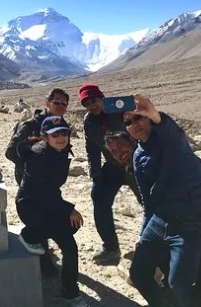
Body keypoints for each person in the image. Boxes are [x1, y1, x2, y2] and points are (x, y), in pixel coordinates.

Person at [105, 131, 201, 305]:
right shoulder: (132, 172)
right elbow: (148, 204)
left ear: (133, 141)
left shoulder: (159, 153)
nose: (119, 152)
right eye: (113, 151)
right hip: (175, 209)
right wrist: (145, 234)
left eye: (120, 145)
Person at [123, 94, 201, 307]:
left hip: (189, 223)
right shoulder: (138, 155)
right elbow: (147, 198)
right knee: (139, 273)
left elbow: (173, 133)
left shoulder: (171, 142)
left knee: (178, 284)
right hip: (159, 220)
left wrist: (156, 115)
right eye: (128, 122)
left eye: (138, 117)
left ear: (148, 118)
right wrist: (143, 232)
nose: (135, 124)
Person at [15, 116, 88, 307]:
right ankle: (29, 234)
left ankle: (69, 292)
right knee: (68, 235)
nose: (61, 137)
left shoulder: (58, 152)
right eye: (55, 134)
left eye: (64, 133)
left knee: (70, 240)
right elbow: (43, 192)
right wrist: (69, 209)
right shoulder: (40, 156)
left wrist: (67, 210)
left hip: (47, 206)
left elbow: (51, 189)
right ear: (45, 137)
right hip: (31, 207)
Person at [5, 87, 69, 277]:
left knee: (49, 213)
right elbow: (10, 152)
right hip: (30, 179)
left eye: (64, 104)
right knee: (38, 217)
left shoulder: (62, 125)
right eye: (57, 102)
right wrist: (32, 159)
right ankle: (43, 263)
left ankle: (45, 256)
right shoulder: (30, 125)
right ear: (47, 103)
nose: (61, 106)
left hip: (51, 179)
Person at [78, 83, 142, 264]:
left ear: (102, 98)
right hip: (113, 166)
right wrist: (95, 173)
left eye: (94, 100)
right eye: (86, 103)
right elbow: (92, 147)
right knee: (99, 197)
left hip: (136, 164)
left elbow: (141, 126)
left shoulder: (118, 111)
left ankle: (154, 245)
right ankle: (111, 248)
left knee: (149, 202)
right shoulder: (89, 121)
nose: (91, 105)